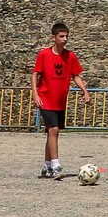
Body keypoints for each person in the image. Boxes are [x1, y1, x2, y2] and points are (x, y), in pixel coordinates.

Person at [33, 23, 84, 180]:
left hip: (59, 101)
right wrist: (35, 94)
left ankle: (47, 166)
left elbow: (75, 75)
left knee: (51, 132)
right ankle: (56, 166)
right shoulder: (44, 55)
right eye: (61, 36)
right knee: (54, 130)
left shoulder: (70, 56)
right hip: (45, 99)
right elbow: (35, 75)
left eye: (66, 36)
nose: (65, 39)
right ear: (53, 38)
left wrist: (84, 90)